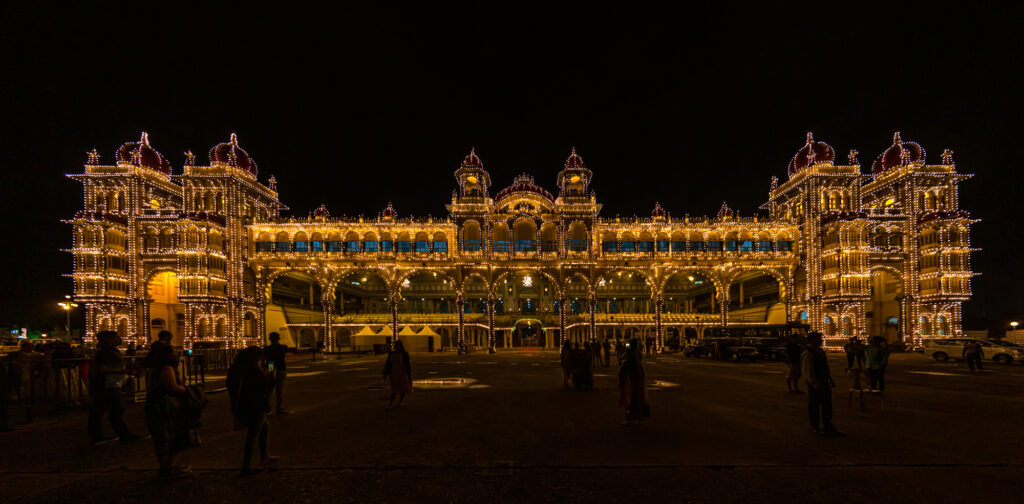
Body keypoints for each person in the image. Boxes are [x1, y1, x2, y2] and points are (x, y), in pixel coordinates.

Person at [227, 346, 279, 476]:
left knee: (265, 427)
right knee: (252, 435)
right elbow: (267, 385)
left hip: (242, 404)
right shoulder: (254, 370)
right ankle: (246, 466)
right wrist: (271, 371)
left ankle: (265, 456)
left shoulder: (235, 368)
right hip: (256, 405)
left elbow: (229, 385)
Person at [88, 331, 144, 445]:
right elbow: (103, 369)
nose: (119, 339)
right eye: (116, 337)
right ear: (108, 339)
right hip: (108, 385)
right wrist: (126, 371)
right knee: (114, 411)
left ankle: (99, 435)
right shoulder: (105, 353)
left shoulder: (110, 352)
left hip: (111, 385)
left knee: (104, 411)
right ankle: (121, 435)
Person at [143, 343, 191, 478]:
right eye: (173, 351)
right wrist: (188, 391)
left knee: (161, 438)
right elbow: (172, 387)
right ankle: (167, 467)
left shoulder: (152, 369)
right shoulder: (166, 368)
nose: (176, 353)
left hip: (154, 405)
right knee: (172, 436)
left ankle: (165, 466)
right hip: (166, 406)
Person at [801, 332, 843, 436]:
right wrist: (814, 383)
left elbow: (824, 366)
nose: (821, 340)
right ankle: (814, 425)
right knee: (814, 405)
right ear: (813, 340)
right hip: (816, 384)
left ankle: (827, 424)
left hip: (824, 382)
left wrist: (829, 379)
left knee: (827, 405)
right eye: (819, 338)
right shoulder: (808, 352)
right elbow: (807, 370)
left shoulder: (819, 350)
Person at [617, 339, 649, 426]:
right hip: (639, 375)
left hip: (629, 375)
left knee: (628, 396)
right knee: (638, 396)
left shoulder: (628, 352)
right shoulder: (639, 353)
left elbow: (620, 357)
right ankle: (637, 419)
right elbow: (639, 360)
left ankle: (629, 419)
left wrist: (624, 349)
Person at [263, 332, 292, 414]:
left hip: (271, 366)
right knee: (280, 390)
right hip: (280, 367)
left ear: (270, 339)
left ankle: (268, 409)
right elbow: (287, 354)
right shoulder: (283, 347)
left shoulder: (266, 349)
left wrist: (265, 370)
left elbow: (263, 361)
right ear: (278, 338)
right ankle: (280, 407)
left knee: (269, 390)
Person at [382, 340, 412, 410]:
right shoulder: (392, 354)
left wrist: (409, 374)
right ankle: (391, 403)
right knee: (394, 389)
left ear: (401, 346)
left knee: (403, 388)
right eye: (396, 346)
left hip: (403, 373)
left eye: (398, 346)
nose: (396, 347)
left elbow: (407, 365)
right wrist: (385, 373)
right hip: (394, 373)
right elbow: (388, 364)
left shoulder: (404, 354)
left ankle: (400, 401)